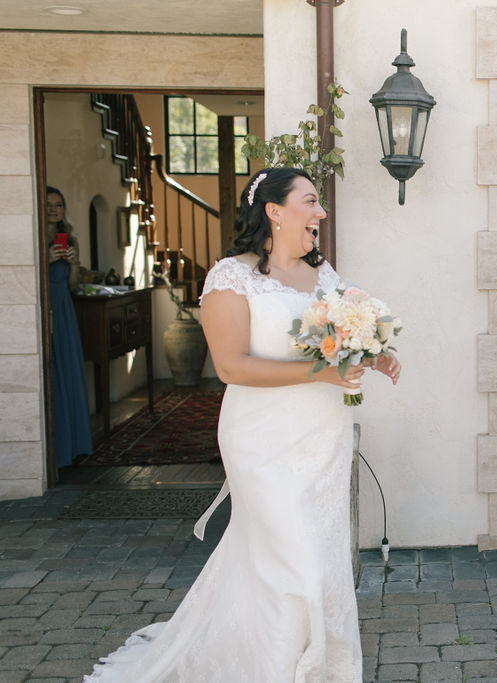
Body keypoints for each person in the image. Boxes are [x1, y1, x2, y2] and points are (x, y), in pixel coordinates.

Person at [84, 168, 400, 682]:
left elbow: (344, 339)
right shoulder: (230, 277)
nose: (320, 213)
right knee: (291, 560)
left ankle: (317, 664)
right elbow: (230, 366)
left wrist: (377, 352)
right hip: (262, 439)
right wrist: (324, 370)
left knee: (316, 559)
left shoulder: (324, 276)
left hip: (323, 435)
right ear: (275, 211)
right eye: (311, 201)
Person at [45, 186, 92, 468]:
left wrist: (73, 264)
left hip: (64, 307)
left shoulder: (69, 239)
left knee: (69, 369)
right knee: (52, 373)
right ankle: (55, 450)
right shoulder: (35, 238)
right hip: (43, 306)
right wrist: (45, 259)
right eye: (48, 204)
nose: (53, 209)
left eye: (58, 204)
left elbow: (73, 284)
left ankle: (74, 446)